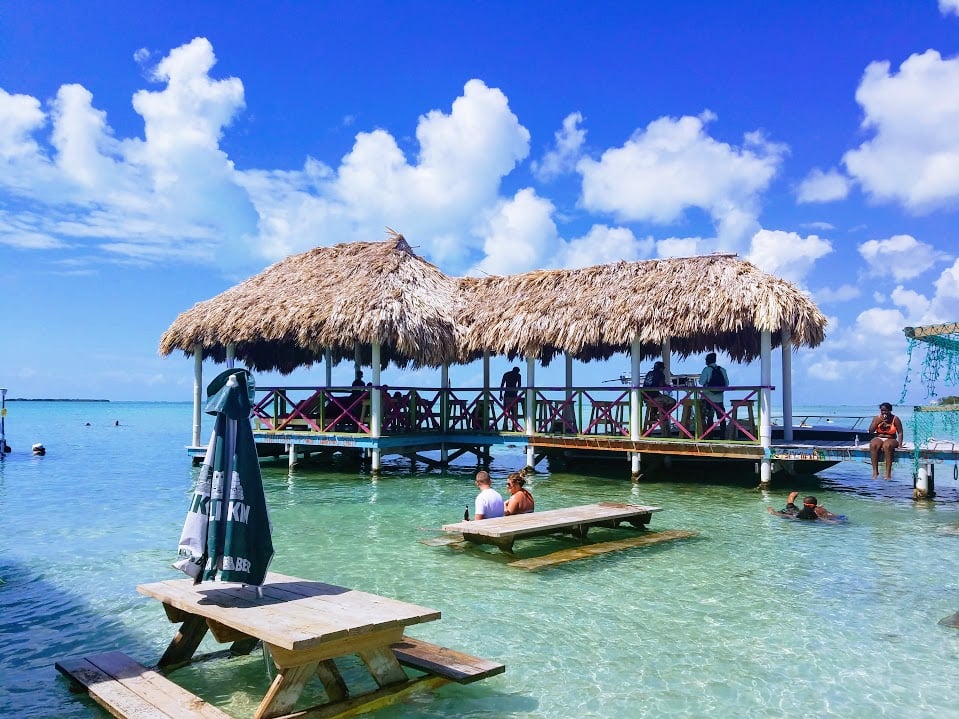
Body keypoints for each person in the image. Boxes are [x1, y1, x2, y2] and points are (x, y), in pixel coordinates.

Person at [867, 402, 904, 480]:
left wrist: (900, 444)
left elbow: (900, 432)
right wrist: (877, 423)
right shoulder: (877, 418)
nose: (884, 412)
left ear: (890, 410)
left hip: (891, 438)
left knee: (887, 446)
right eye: (882, 410)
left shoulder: (895, 419)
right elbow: (870, 431)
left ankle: (888, 473)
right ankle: (875, 472)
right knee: (873, 445)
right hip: (879, 437)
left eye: (885, 410)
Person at [698, 352, 729, 434]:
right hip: (719, 398)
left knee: (709, 417)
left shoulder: (706, 370)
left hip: (708, 398)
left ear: (707, 361)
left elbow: (701, 382)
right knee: (722, 417)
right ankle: (723, 435)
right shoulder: (722, 370)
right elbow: (727, 384)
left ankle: (709, 435)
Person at [767, 492, 840, 521]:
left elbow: (790, 516)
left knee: (790, 507)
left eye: (804, 504)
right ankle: (792, 495)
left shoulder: (818, 511)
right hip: (796, 512)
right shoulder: (819, 510)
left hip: (795, 513)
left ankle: (792, 495)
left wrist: (773, 512)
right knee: (790, 506)